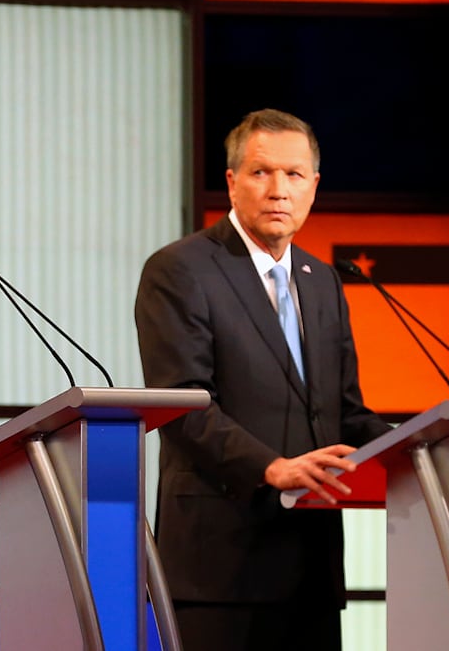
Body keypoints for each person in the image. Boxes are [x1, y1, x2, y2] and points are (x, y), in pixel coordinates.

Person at [134, 109, 391, 651]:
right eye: (261, 172)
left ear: (313, 186)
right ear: (232, 182)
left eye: (294, 174)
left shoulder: (322, 281)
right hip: (221, 567)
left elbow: (344, 412)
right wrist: (272, 468)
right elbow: (182, 406)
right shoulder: (180, 269)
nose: (279, 190)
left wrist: (423, 454)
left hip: (312, 566)